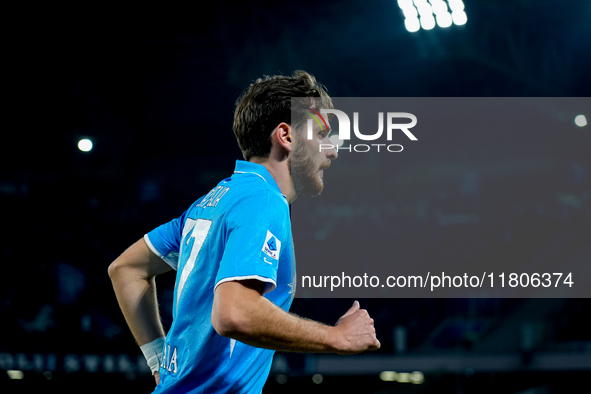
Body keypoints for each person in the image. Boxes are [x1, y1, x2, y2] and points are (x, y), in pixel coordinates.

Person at [108, 70, 380, 393]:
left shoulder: (213, 201)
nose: (332, 151)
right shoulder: (264, 200)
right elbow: (233, 313)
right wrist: (338, 337)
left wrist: (157, 361)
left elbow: (125, 270)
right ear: (286, 136)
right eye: (322, 134)